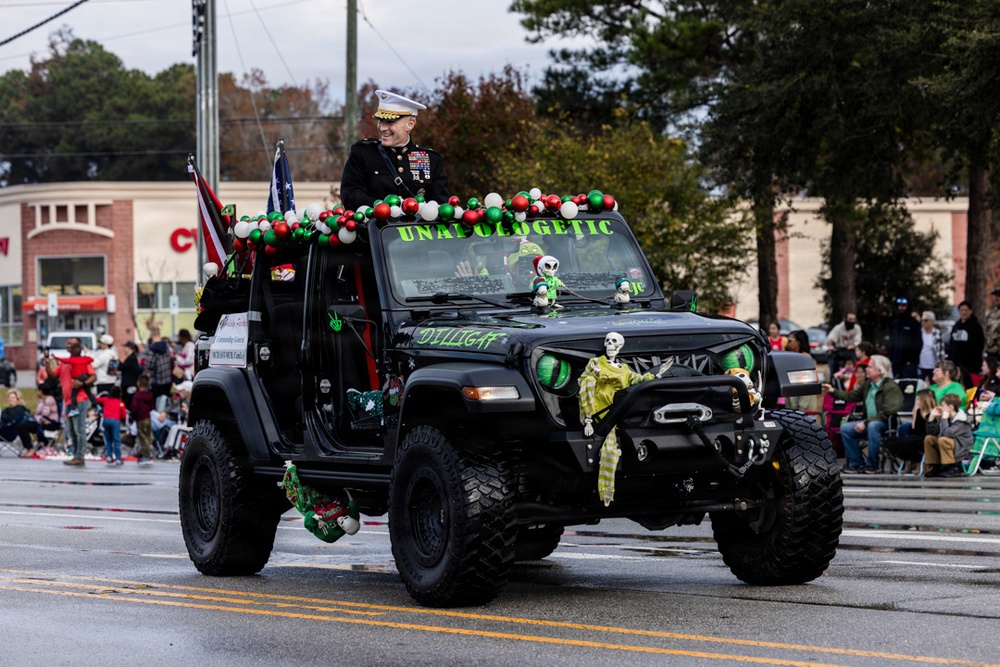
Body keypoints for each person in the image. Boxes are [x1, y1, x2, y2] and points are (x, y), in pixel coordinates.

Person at [340, 89, 449, 212]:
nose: (382, 128)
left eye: (390, 122)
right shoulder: (363, 153)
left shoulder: (431, 159)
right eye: (381, 121)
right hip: (375, 229)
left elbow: (440, 205)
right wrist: (382, 206)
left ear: (410, 124)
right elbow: (350, 195)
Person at [822, 354, 903, 474]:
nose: (866, 369)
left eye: (870, 367)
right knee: (846, 428)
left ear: (880, 370)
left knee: (873, 426)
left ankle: (873, 465)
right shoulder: (868, 385)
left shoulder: (891, 387)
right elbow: (851, 396)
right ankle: (856, 463)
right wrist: (833, 391)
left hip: (885, 423)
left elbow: (889, 411)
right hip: (868, 422)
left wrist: (865, 422)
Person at [50, 337, 96, 466]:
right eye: (67, 344)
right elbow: (53, 375)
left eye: (71, 344)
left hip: (80, 400)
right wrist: (48, 364)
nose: (68, 346)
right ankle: (75, 454)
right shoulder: (65, 363)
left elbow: (93, 376)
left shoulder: (83, 361)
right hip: (68, 400)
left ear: (78, 347)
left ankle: (80, 456)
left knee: (79, 429)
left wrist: (82, 383)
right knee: (71, 430)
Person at [923, 393, 973, 478]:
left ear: (950, 407)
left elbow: (948, 434)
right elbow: (932, 432)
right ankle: (934, 466)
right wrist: (931, 417)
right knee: (929, 438)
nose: (940, 408)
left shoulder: (961, 420)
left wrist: (944, 419)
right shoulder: (946, 418)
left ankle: (951, 467)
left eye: (943, 406)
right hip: (950, 445)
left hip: (961, 447)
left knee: (943, 440)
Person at [946, 301, 985, 386]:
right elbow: (951, 344)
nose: (964, 312)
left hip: (970, 366)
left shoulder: (975, 326)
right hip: (955, 364)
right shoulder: (956, 325)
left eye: (966, 310)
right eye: (961, 310)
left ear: (970, 311)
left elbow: (978, 346)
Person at [785, 330, 818, 413]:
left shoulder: (805, 359)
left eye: (790, 341)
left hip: (804, 407)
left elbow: (807, 386)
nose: (787, 344)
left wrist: (801, 408)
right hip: (793, 405)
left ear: (798, 342)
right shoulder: (793, 358)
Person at [888, 297, 922, 378]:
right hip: (896, 362)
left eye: (904, 305)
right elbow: (892, 341)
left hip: (909, 363)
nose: (901, 308)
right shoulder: (895, 323)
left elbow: (918, 343)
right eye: (899, 305)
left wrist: (912, 360)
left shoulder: (914, 323)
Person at [1, 389, 38, 456]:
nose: (10, 399)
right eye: (9, 397)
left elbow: (8, 418)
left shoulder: (19, 409)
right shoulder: (7, 410)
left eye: (12, 398)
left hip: (8, 431)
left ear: (17, 399)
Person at [97, 385, 126, 466]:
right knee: (116, 440)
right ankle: (118, 458)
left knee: (108, 439)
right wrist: (123, 419)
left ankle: (109, 456)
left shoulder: (106, 400)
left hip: (106, 420)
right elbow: (123, 414)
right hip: (115, 421)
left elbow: (96, 399)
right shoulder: (120, 403)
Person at [825, 312, 862, 377]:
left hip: (852, 351)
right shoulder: (838, 328)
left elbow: (858, 340)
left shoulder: (857, 328)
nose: (852, 321)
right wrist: (830, 345)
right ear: (845, 319)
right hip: (840, 350)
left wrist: (853, 346)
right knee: (833, 362)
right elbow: (831, 338)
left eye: (854, 319)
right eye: (850, 319)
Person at [130, 374, 155, 467]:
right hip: (147, 417)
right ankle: (147, 453)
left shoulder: (137, 396)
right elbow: (152, 406)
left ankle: (146, 456)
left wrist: (133, 416)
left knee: (142, 437)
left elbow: (134, 408)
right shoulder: (149, 395)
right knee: (147, 436)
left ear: (138, 383)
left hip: (140, 418)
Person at [917, 311, 945, 382]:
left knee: (934, 385)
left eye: (926, 320)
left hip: (933, 366)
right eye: (922, 320)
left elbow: (941, 350)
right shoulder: (919, 332)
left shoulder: (937, 333)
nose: (923, 322)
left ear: (932, 321)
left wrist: (941, 365)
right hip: (920, 365)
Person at [144, 336, 174, 401]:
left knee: (157, 400)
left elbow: (149, 365)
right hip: (167, 378)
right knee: (167, 398)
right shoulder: (166, 346)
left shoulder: (152, 350)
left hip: (157, 380)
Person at [119, 341, 142, 411]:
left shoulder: (132, 359)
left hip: (130, 385)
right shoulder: (130, 358)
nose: (124, 349)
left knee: (129, 403)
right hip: (128, 385)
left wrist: (118, 362)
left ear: (130, 348)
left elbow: (123, 367)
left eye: (126, 347)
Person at [984, 289, 1000, 359]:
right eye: (995, 296)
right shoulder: (991, 313)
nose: (996, 298)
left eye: (999, 296)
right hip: (991, 351)